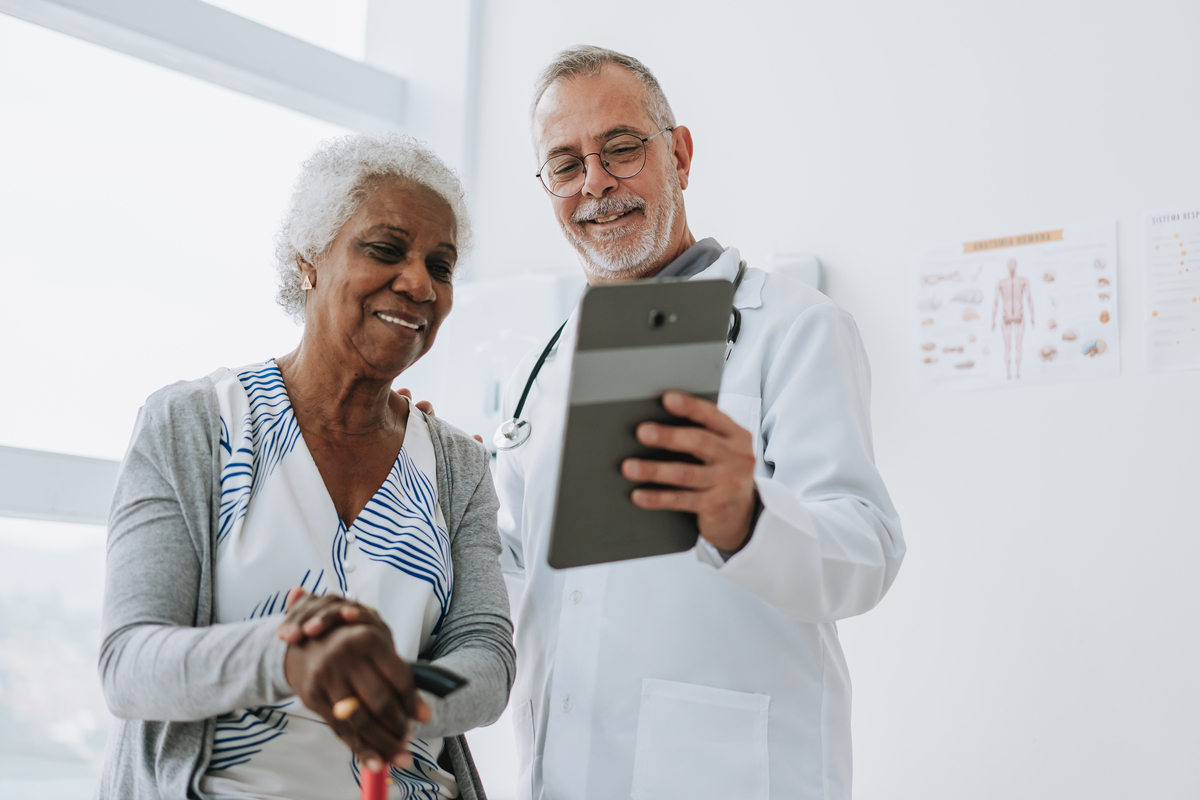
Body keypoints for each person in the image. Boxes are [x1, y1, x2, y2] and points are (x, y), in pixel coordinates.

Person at [494, 46, 905, 799]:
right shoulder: (548, 363)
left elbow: (868, 550)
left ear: (679, 155)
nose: (596, 184)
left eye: (621, 148)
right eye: (565, 164)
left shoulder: (796, 327)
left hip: (729, 770)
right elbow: (516, 568)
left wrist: (745, 515)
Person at [97, 134, 514, 800]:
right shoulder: (195, 425)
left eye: (441, 265)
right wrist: (292, 657)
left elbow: (487, 658)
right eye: (384, 249)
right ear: (308, 263)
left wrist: (391, 694)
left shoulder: (456, 465)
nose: (418, 283)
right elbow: (130, 664)